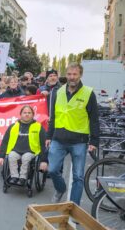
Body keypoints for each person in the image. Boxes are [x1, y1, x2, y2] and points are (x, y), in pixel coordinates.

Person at [47, 62, 99, 205]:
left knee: (78, 177)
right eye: (69, 74)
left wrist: (94, 141)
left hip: (79, 141)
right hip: (59, 139)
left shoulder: (88, 93)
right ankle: (61, 188)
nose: (71, 77)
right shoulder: (59, 92)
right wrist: (48, 136)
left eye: (75, 74)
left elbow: (94, 119)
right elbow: (54, 116)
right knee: (52, 170)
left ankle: (73, 209)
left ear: (80, 75)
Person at [0, 105, 48, 186]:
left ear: (33, 114)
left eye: (29, 113)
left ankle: (23, 178)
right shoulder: (13, 126)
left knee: (26, 157)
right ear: (20, 114)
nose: (27, 114)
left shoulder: (38, 127)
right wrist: (1, 156)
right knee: (11, 156)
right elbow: (5, 142)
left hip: (31, 151)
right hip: (15, 150)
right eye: (24, 113)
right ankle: (14, 177)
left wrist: (44, 161)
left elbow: (43, 144)